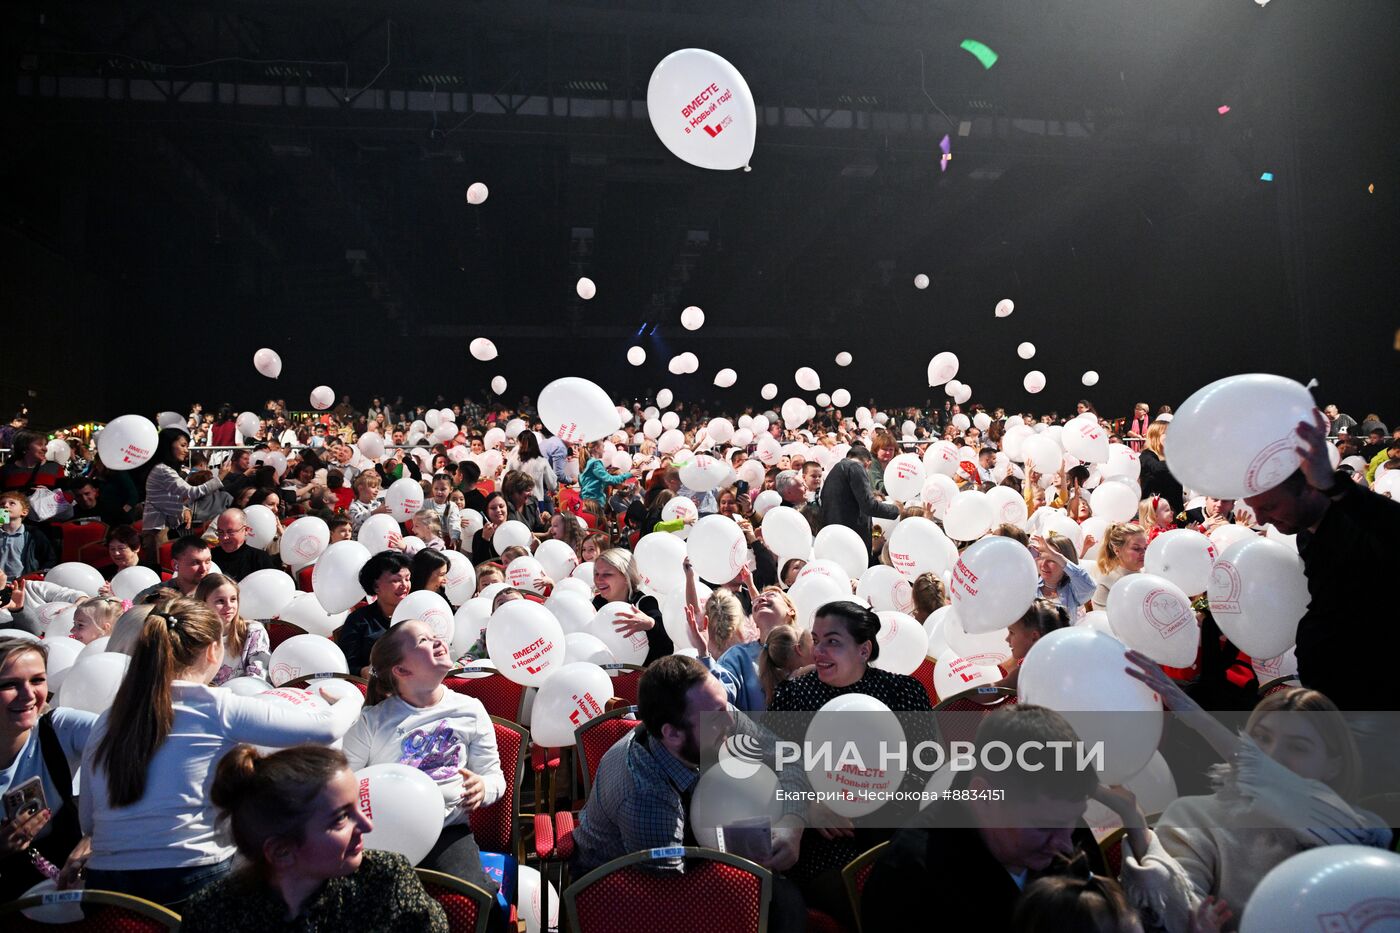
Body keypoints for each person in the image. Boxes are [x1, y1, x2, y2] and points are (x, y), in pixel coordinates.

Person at [80, 597, 359, 905]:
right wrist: (352, 698)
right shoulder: (215, 707)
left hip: (105, 888)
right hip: (190, 879)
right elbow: (327, 728)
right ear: (214, 651)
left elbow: (89, 822)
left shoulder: (108, 718)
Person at [1121, 654, 1390, 930]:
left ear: (1335, 764)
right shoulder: (1194, 816)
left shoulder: (1364, 831)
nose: (1272, 755)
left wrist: (1200, 720)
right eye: (1261, 738)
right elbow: (1175, 910)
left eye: (1297, 747)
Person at [569, 655, 808, 933]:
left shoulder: (716, 714)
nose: (731, 720)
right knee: (782, 902)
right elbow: (675, 898)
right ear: (672, 734)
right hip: (623, 893)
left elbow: (788, 759)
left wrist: (793, 825)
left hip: (688, 853)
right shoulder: (645, 795)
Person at [862, 706, 1103, 931]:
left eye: (1073, 819)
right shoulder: (907, 880)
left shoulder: (1061, 822)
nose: (1066, 846)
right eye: (1042, 827)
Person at [178, 745, 447, 932]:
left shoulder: (385, 880)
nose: (366, 824)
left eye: (358, 807)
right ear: (282, 851)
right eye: (341, 818)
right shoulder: (215, 913)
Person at [343, 621, 504, 929]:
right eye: (422, 641)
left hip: (446, 832)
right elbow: (343, 785)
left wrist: (484, 787)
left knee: (479, 896)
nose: (437, 641)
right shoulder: (372, 722)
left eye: (434, 635)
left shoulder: (470, 709)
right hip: (381, 838)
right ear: (401, 671)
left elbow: (496, 778)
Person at [1242, 411, 1400, 715]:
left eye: (1270, 506)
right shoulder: (1307, 535)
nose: (1261, 519)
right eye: (1254, 509)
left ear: (1311, 488)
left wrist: (1336, 486)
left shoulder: (1360, 524)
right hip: (1333, 703)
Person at [0, 637, 97, 902]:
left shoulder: (59, 728)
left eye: (37, 680)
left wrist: (97, 834)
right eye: (9, 684)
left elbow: (138, 746)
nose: (29, 694)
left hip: (61, 893)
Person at [140, 427, 225, 560]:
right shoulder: (163, 470)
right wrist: (220, 478)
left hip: (160, 527)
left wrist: (184, 509)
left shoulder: (164, 469)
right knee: (158, 567)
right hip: (156, 530)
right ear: (168, 445)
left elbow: (167, 500)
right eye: (183, 445)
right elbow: (193, 491)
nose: (186, 450)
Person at [591, 547, 674, 664]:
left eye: (607, 574)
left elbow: (667, 649)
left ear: (626, 577)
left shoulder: (645, 603)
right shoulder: (595, 604)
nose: (598, 580)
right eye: (596, 574)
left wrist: (651, 626)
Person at [338, 550, 412, 677]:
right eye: (396, 580)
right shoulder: (359, 620)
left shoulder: (418, 613)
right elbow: (347, 665)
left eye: (407, 579)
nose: (405, 585)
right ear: (376, 586)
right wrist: (367, 672)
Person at [820, 446, 900, 557]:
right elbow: (869, 505)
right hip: (851, 542)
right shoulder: (855, 467)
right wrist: (895, 509)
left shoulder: (835, 471)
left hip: (834, 537)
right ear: (868, 464)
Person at [194, 573, 271, 684]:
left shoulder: (253, 631)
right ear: (203, 603)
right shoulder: (193, 634)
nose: (229, 606)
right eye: (220, 601)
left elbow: (259, 677)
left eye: (233, 599)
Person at [998, 598, 1071, 689]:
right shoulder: (1063, 658)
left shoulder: (1030, 670)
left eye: (1012, 632)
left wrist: (975, 693)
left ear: (1034, 636)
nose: (1007, 639)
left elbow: (997, 688)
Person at [1032, 532, 1096, 615]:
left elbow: (1090, 587)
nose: (1043, 564)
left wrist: (1056, 555)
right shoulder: (1031, 586)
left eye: (1051, 560)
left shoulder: (1072, 590)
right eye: (1041, 557)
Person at [211, 508, 283, 581]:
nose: (225, 537)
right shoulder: (210, 557)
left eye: (230, 532)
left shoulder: (259, 558)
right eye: (220, 532)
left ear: (245, 530)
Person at [134, 535, 214, 599]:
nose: (203, 569)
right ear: (176, 565)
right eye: (196, 563)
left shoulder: (217, 592)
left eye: (207, 561)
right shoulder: (153, 597)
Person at [1090, 522, 1148, 612]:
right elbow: (1102, 619)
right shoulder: (1106, 581)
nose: (1143, 553)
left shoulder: (1149, 572)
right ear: (1117, 550)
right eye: (1136, 548)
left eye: (1145, 548)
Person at [0, 491, 56, 577]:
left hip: (23, 583)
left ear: (24, 512)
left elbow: (49, 558)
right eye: (2, 504)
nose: (5, 506)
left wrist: (36, 576)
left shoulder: (34, 534)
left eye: (12, 503)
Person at [0, 429, 65, 496]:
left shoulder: (55, 468)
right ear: (24, 447)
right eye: (40, 444)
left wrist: (50, 495)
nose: (45, 449)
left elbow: (68, 496)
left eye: (45, 445)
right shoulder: (5, 471)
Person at [1138, 421, 1183, 515]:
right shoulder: (1146, 455)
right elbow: (1157, 468)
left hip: (1174, 509)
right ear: (1156, 436)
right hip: (1155, 512)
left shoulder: (1171, 457)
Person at [506, 429, 558, 503]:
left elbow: (505, 480)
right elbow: (552, 485)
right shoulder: (542, 461)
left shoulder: (512, 460)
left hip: (516, 501)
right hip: (536, 500)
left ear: (519, 443)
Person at [578, 440, 633, 509]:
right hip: (595, 503)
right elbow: (609, 480)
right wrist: (629, 474)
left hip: (588, 502)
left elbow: (593, 483)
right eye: (603, 447)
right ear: (596, 448)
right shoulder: (595, 463)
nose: (604, 451)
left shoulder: (588, 463)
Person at [469, 491, 511, 565]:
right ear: (487, 511)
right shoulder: (479, 535)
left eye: (501, 506)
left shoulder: (515, 529)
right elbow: (478, 564)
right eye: (493, 508)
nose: (498, 510)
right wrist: (485, 540)